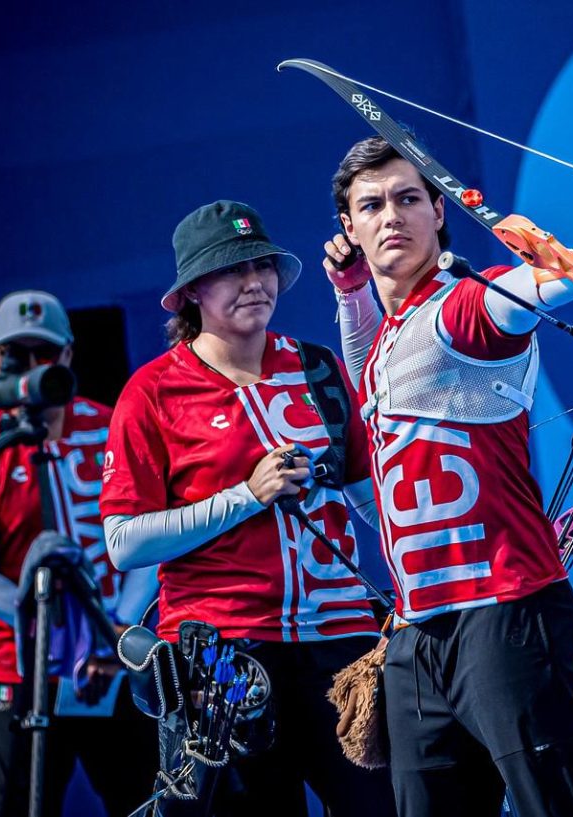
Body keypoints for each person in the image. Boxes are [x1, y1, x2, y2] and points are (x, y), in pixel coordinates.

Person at [322, 135, 573, 817]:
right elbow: (369, 369)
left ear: (439, 213)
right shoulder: (390, 332)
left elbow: (524, 291)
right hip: (416, 630)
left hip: (506, 612)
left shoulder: (462, 310)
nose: (392, 215)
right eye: (372, 205)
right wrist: (350, 288)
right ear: (349, 228)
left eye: (409, 199)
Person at [99, 200, 397, 816]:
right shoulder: (153, 390)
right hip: (223, 659)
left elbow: (374, 502)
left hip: (343, 643)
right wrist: (245, 496)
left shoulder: (317, 367)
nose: (255, 281)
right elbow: (125, 542)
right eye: (233, 270)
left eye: (262, 265)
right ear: (191, 293)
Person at [0, 290, 160, 817]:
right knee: (20, 804)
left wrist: (115, 635)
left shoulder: (114, 427)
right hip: (22, 670)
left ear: (66, 355)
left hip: (117, 660)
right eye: (18, 355)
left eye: (44, 354)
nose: (33, 370)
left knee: (145, 800)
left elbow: (148, 544)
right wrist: (55, 631)